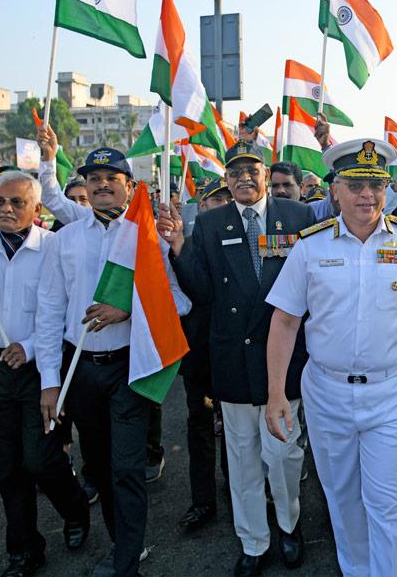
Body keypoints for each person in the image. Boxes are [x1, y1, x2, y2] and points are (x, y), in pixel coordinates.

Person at [264, 138, 397, 577]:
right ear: (335, 190)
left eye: (376, 184)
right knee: (343, 499)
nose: (367, 194)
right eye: (355, 184)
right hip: (327, 392)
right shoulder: (311, 246)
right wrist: (276, 392)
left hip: (391, 393)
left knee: (386, 502)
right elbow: (285, 322)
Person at [34, 147, 191, 577]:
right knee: (99, 467)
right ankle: (124, 542)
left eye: (112, 177)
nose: (102, 183)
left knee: (126, 467)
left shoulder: (146, 237)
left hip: (129, 366)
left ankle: (126, 564)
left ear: (129, 185)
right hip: (81, 369)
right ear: (85, 186)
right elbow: (49, 311)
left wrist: (129, 308)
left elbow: (179, 301)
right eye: (94, 177)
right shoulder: (63, 239)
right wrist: (51, 382)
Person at [162, 142, 315, 575]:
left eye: (252, 169)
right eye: (235, 172)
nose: (244, 178)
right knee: (243, 456)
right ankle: (253, 541)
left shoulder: (298, 217)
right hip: (232, 357)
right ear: (226, 180)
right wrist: (177, 247)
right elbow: (202, 291)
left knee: (284, 454)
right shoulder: (210, 224)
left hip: (283, 357)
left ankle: (288, 524)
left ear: (266, 173)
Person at [0, 171, 89, 575]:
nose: (7, 210)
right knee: (5, 465)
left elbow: (64, 313)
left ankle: (76, 509)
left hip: (40, 369)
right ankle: (23, 547)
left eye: (16, 202)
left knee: (40, 460)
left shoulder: (54, 248)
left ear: (37, 208)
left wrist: (28, 348)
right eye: (0, 202)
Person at [173, 177, 233, 535]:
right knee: (199, 424)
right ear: (202, 207)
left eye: (225, 200)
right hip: (199, 350)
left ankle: (237, 489)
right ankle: (203, 501)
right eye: (212, 202)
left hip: (232, 349)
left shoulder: (245, 240)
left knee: (239, 429)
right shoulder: (186, 245)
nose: (219, 207)